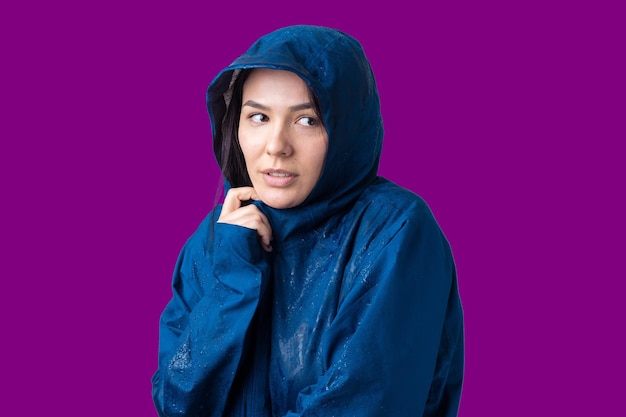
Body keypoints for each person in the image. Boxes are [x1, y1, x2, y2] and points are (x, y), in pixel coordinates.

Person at [152, 24, 464, 417]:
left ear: (347, 129)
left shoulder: (395, 232)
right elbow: (177, 402)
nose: (277, 146)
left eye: (307, 120)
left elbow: (363, 404)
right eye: (259, 117)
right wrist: (232, 280)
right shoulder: (218, 237)